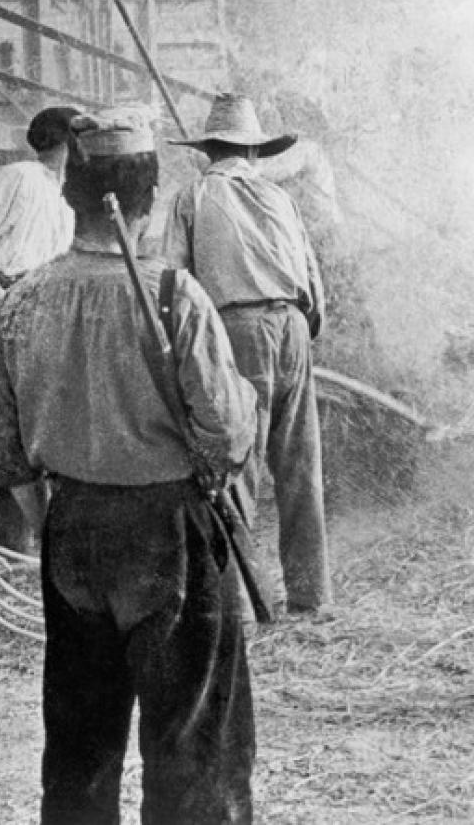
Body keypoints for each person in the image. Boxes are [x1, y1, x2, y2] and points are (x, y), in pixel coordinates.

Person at [0, 108, 258, 825]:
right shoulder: (173, 297)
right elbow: (227, 436)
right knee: (192, 745)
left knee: (79, 748)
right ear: (148, 200)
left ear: (72, 193)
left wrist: (56, 522)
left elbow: (6, 456)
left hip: (72, 531)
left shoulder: (20, 303)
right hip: (169, 530)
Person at [161, 92, 334, 620]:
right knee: (300, 463)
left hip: (236, 326)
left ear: (208, 149)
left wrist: (180, 353)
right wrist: (302, 335)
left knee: (238, 460)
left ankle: (237, 602)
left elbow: (174, 282)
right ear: (255, 152)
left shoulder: (192, 197)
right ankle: (311, 597)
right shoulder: (280, 199)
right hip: (294, 325)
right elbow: (313, 283)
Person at [0, 106, 79, 551]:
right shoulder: (19, 176)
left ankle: (43, 539)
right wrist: (0, 295)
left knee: (42, 428)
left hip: (43, 311)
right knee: (2, 431)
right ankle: (3, 545)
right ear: (64, 143)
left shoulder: (67, 195)